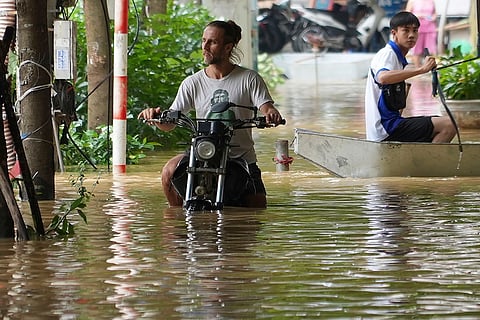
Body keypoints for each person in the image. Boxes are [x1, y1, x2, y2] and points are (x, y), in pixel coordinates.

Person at [138, 20, 284, 208]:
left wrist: (271, 114)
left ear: (228, 47)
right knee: (168, 172)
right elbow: (170, 122)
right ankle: (176, 225)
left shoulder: (249, 79)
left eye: (212, 42)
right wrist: (157, 117)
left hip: (239, 156)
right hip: (203, 152)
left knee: (257, 210)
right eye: (203, 40)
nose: (205, 47)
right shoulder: (192, 83)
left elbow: (267, 108)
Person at [364, 11, 455, 143]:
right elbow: (383, 77)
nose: (411, 35)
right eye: (405, 31)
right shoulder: (388, 54)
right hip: (386, 129)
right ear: (394, 33)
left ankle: (424, 159)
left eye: (415, 30)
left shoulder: (397, 57)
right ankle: (429, 162)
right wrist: (421, 69)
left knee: (438, 120)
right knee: (448, 124)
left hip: (390, 125)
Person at [406, 0, 437, 67]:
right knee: (416, 48)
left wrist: (433, 18)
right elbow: (407, 14)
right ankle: (418, 68)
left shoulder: (431, 1)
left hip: (430, 27)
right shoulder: (412, 1)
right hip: (417, 27)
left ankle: (432, 68)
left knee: (431, 49)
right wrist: (419, 16)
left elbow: (435, 13)